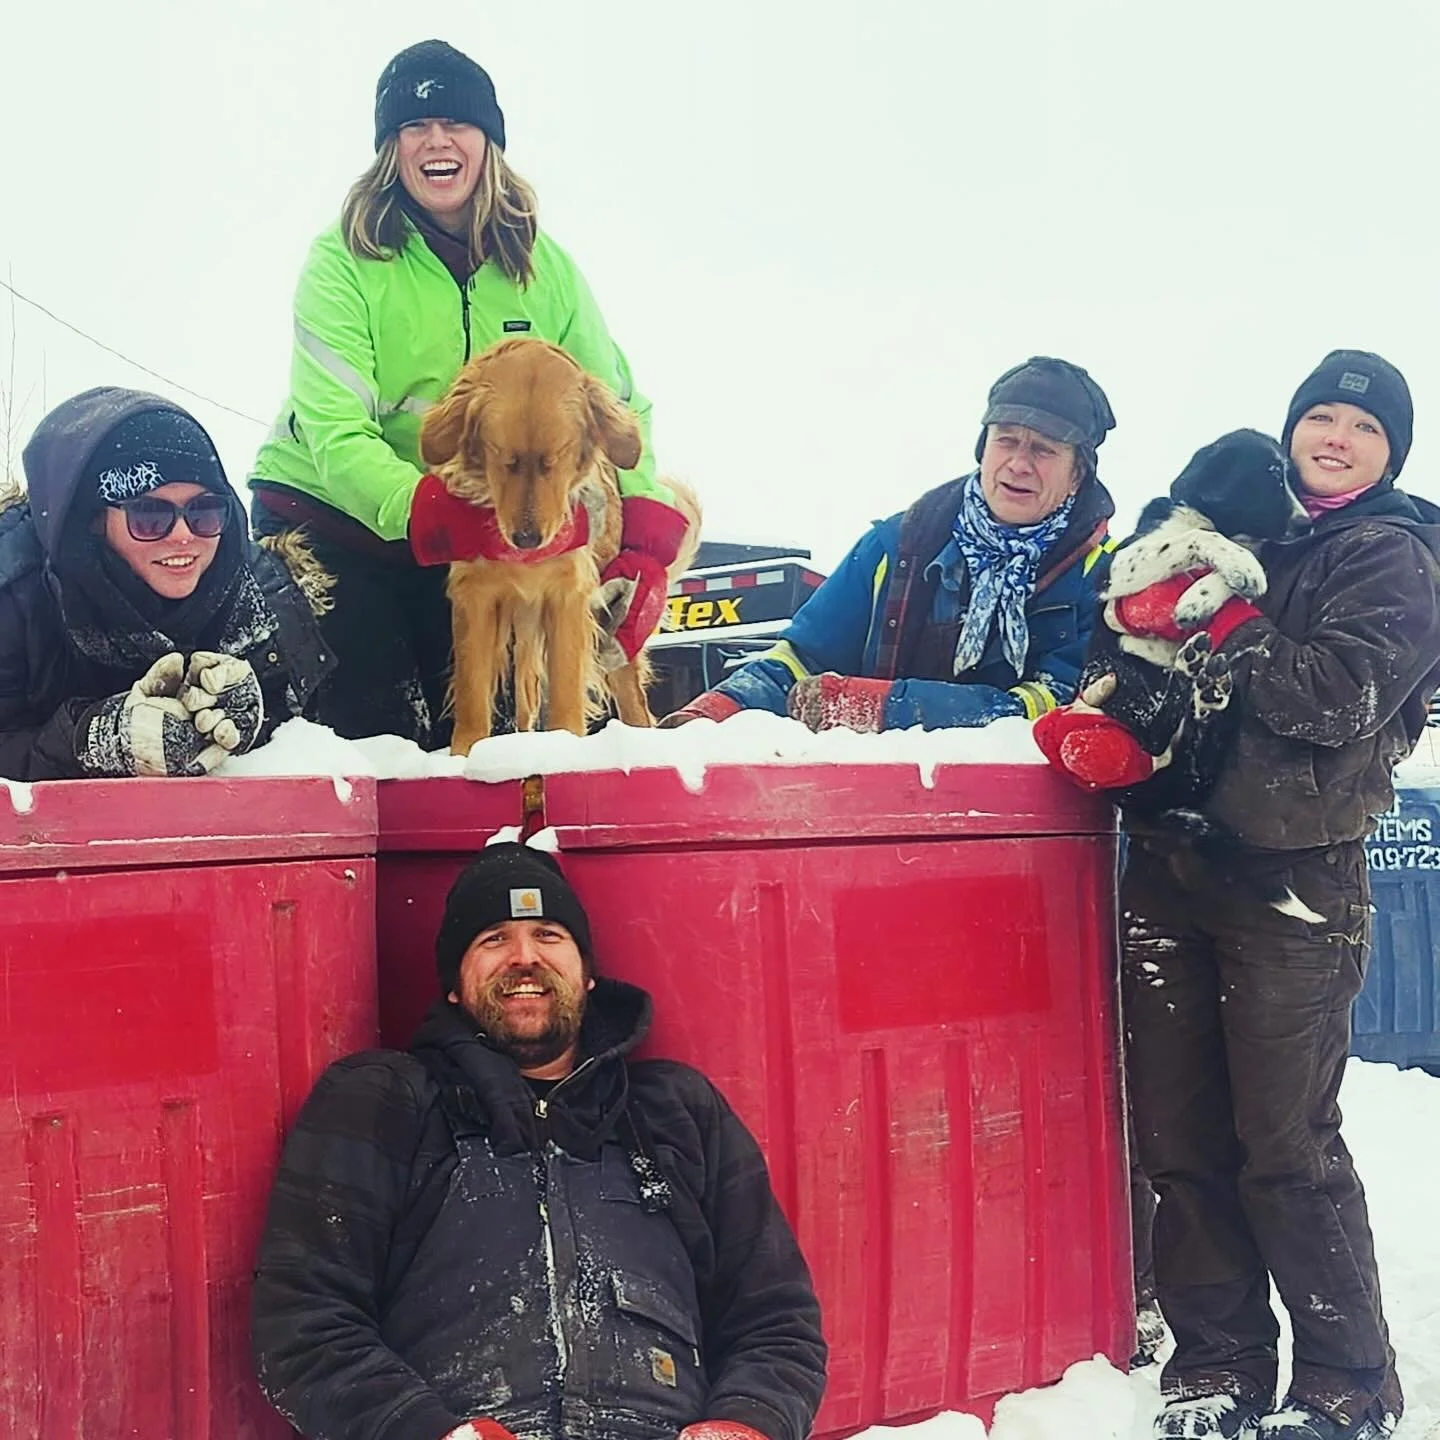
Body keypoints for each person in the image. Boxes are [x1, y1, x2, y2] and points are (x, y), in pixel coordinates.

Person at [1110, 351, 1440, 1440]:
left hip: (1294, 889)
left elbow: (1336, 700)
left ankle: (1347, 1378)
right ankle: (1217, 1363)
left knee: (1285, 1146)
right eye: (1320, 417)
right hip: (1170, 871)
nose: (1334, 437)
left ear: (1390, 451)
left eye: (1362, 426)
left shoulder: (1389, 557)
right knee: (1180, 1140)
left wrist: (1223, 621)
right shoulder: (1245, 531)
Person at [251, 840, 827, 1440]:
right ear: (454, 984)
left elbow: (776, 1321)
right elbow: (303, 1324)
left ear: (588, 972)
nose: (524, 958)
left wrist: (745, 1422)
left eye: (549, 935)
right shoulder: (381, 1102)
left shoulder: (677, 1113)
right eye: (493, 939)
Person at [250, 39, 689, 748]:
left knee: (497, 745)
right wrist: (424, 510)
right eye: (414, 128)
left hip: (475, 526)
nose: (436, 141)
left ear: (488, 142)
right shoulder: (341, 264)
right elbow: (335, 433)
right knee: (378, 736)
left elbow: (616, 402)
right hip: (334, 524)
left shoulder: (545, 269)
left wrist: (641, 529)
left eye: (455, 124)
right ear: (390, 149)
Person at [660, 356, 1117, 732]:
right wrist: (716, 711)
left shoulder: (1105, 579)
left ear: (1078, 474)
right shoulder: (894, 546)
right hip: (875, 808)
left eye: (1043, 450)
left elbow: (1061, 706)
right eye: (1007, 441)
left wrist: (886, 709)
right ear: (983, 449)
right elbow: (801, 658)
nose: (1018, 463)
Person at [0, 387, 331, 781]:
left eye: (205, 511)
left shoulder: (260, 593)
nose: (182, 536)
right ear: (92, 521)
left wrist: (254, 720)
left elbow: (315, 739)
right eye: (150, 516)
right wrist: (91, 742)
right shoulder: (16, 596)